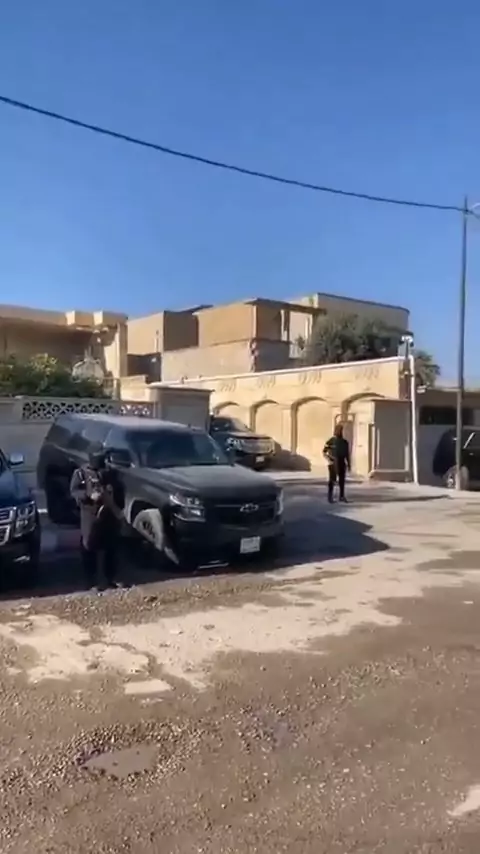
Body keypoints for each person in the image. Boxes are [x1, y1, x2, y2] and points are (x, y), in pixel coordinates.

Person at [70, 450, 124, 590]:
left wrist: (115, 500)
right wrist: (88, 495)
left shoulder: (110, 472)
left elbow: (120, 489)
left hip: (109, 512)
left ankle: (112, 578)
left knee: (111, 546)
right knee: (89, 546)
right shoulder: (81, 473)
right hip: (90, 514)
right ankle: (91, 581)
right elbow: (74, 491)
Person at [323, 423, 351, 504]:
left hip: (342, 462)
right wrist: (329, 459)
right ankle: (330, 497)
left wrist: (349, 464)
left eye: (341, 430)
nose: (340, 432)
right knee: (332, 480)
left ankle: (341, 496)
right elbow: (324, 452)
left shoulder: (345, 442)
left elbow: (347, 454)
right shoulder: (331, 441)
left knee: (342, 480)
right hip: (333, 462)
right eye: (339, 430)